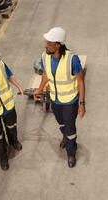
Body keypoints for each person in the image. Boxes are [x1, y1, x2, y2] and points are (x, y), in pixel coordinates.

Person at [34, 27, 86, 168]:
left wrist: (82, 104)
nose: (46, 45)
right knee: (61, 123)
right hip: (55, 100)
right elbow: (46, 74)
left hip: (70, 102)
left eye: (49, 43)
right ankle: (65, 137)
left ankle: (71, 152)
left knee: (70, 128)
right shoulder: (45, 56)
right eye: (46, 42)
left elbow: (80, 81)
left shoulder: (72, 59)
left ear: (58, 45)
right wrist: (39, 89)